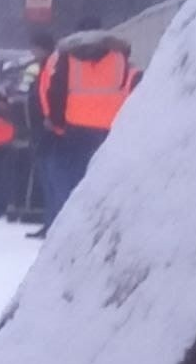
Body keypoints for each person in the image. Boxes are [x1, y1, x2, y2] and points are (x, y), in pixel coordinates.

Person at [41, 18, 136, 236]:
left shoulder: (69, 56)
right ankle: (99, 230)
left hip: (76, 128)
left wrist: (57, 123)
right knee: (103, 183)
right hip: (110, 128)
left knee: (74, 184)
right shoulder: (119, 56)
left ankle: (73, 231)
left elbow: (57, 91)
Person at [26, 31, 59, 239]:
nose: (32, 51)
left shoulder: (51, 67)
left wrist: (50, 118)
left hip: (48, 131)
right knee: (48, 181)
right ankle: (50, 222)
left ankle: (53, 223)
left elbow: (49, 96)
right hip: (41, 130)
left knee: (52, 181)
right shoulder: (44, 67)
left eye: (35, 47)